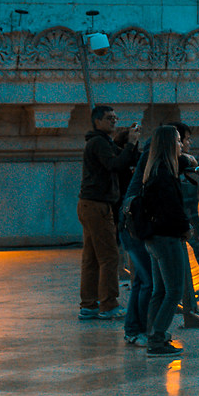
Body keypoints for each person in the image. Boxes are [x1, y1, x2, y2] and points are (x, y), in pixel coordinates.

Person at [128, 125, 198, 356]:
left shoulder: (155, 169)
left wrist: (187, 159)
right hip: (167, 238)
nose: (181, 145)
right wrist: (186, 227)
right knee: (174, 290)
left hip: (153, 238)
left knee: (160, 290)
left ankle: (152, 334)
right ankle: (157, 339)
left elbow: (185, 162)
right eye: (178, 141)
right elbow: (172, 209)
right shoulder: (165, 174)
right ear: (169, 144)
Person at [77, 105, 136, 321]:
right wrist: (130, 144)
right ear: (97, 121)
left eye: (115, 117)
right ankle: (109, 305)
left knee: (91, 258)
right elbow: (116, 164)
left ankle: (89, 305)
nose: (114, 121)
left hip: (89, 204)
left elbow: (125, 158)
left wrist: (130, 145)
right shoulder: (99, 143)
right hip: (97, 205)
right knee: (109, 256)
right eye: (109, 118)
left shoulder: (101, 142)